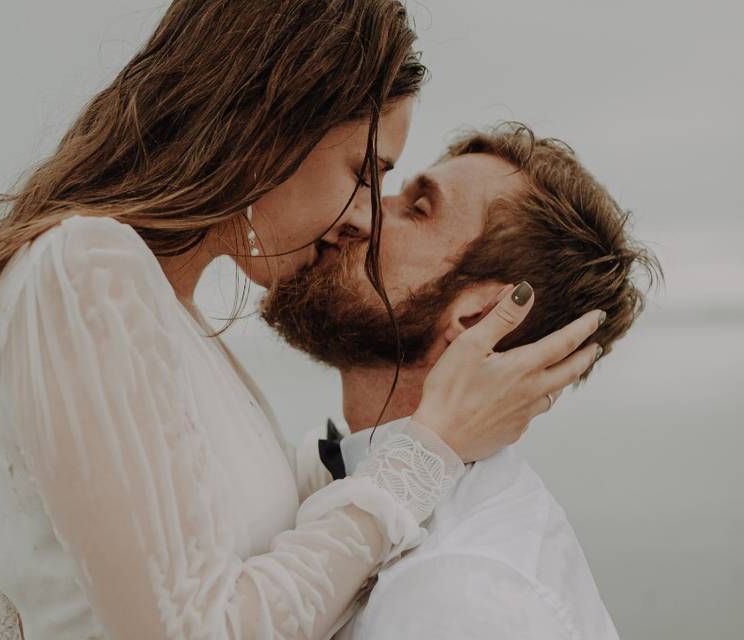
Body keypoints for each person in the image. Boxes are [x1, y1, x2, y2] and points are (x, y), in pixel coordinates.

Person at [0, 4, 603, 639]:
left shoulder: (165, 312)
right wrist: (425, 451)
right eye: (361, 170)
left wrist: (412, 439)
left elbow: (227, 528)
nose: (364, 214)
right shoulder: (89, 270)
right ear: (271, 130)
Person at [261, 124, 661, 639]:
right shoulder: (358, 492)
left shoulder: (455, 593)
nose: (362, 212)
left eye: (416, 209)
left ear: (477, 320)